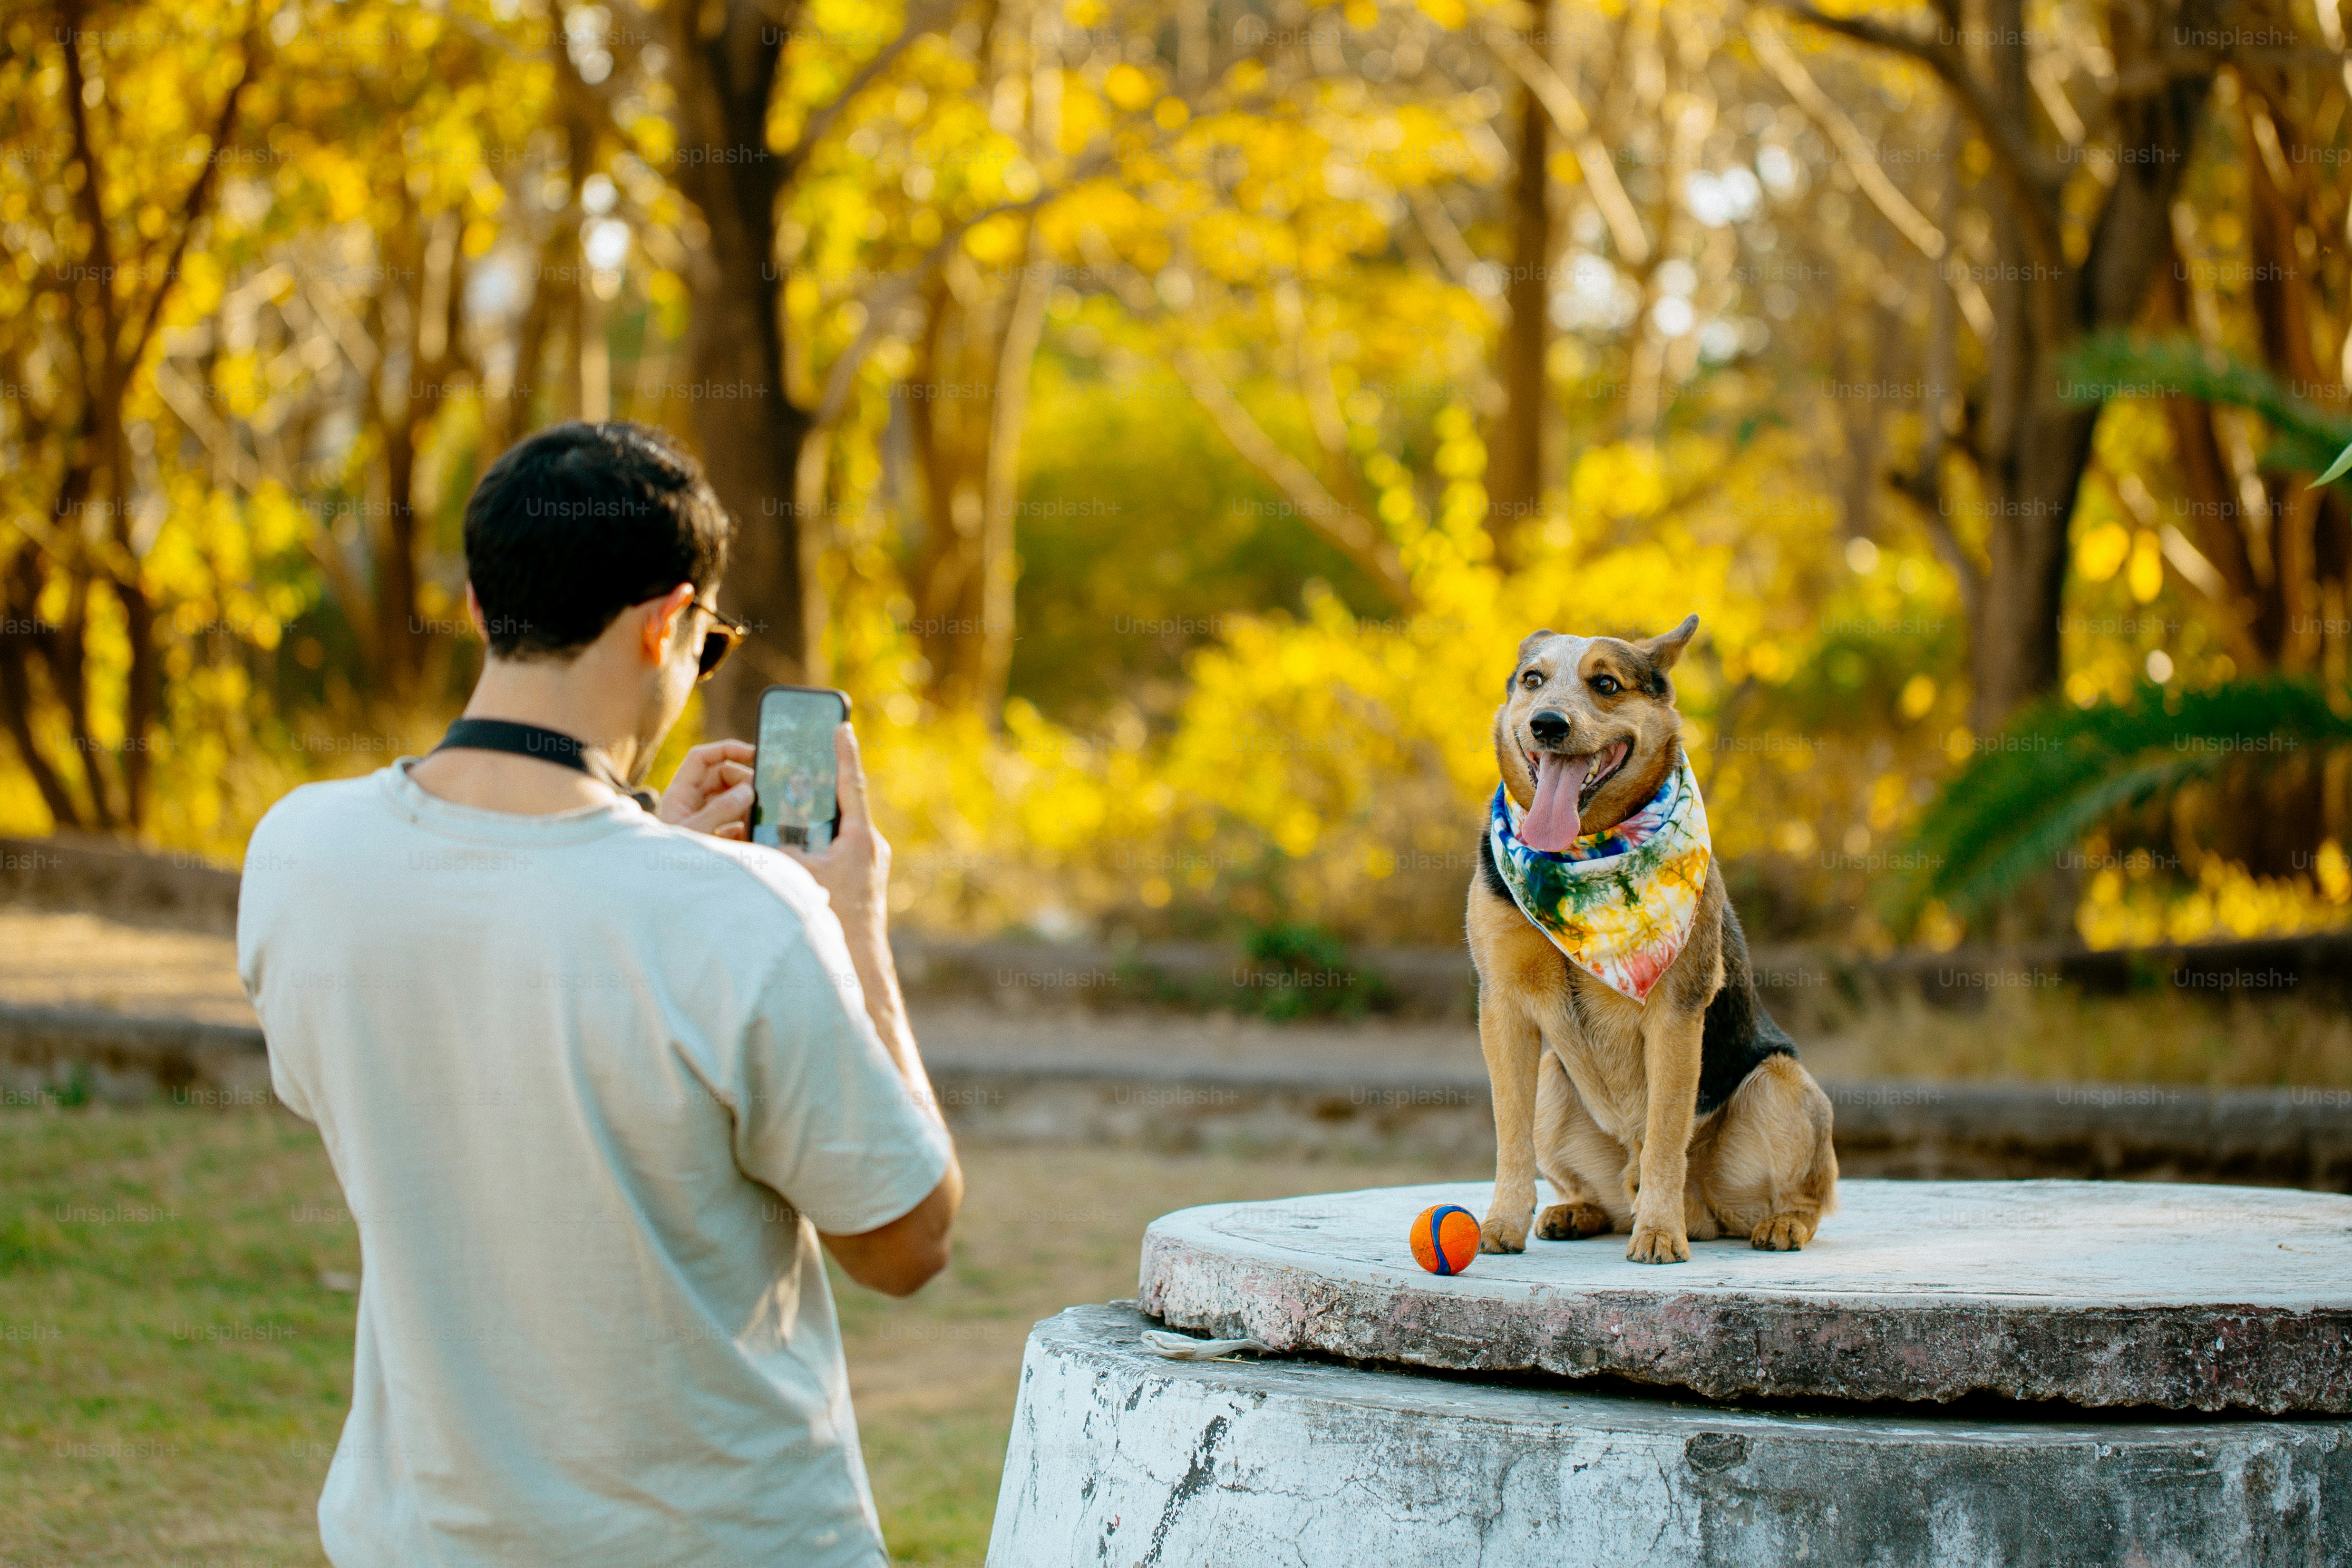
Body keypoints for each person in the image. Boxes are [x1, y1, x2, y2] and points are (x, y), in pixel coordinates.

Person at [237, 420, 961, 1567]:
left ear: (481, 606)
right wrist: (852, 918)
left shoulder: (295, 852)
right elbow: (907, 1238)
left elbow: (470, 1054)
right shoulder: (742, 915)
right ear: (668, 622)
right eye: (707, 646)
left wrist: (640, 850)